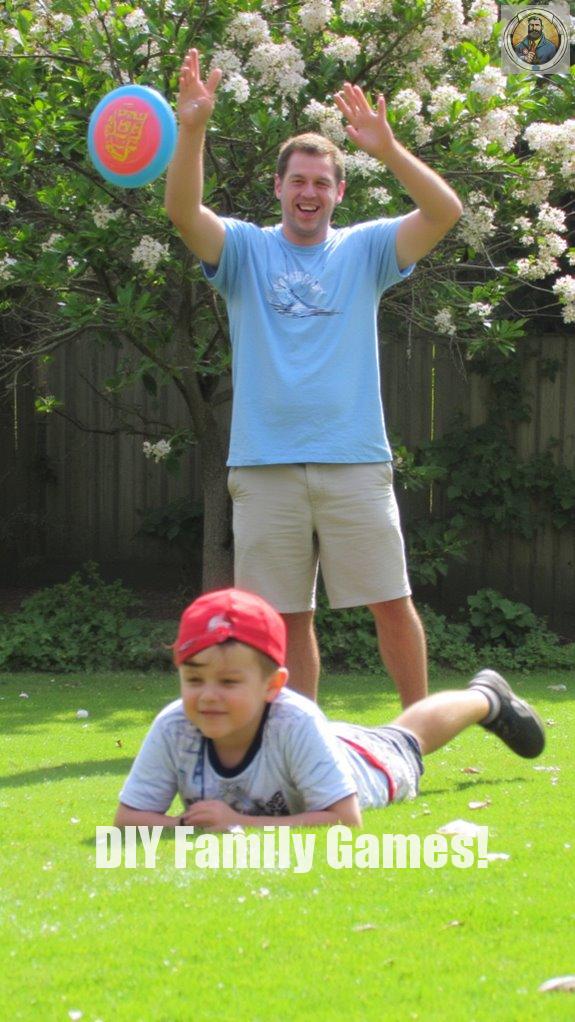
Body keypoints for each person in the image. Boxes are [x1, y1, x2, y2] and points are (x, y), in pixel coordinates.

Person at [165, 49, 463, 707]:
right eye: (297, 180)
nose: (308, 193)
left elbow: (444, 211)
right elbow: (183, 212)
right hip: (264, 465)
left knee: (391, 602)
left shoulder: (366, 249)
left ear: (338, 193)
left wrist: (387, 149)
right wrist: (192, 129)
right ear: (278, 188)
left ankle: (417, 736)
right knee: (284, 620)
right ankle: (299, 744)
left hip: (353, 460)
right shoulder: (244, 250)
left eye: (321, 183)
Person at [114, 588, 545, 832]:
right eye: (194, 680)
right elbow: (127, 818)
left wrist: (239, 823)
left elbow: (345, 819)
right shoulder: (174, 725)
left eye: (228, 682)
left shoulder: (295, 719)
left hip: (361, 764)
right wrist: (181, 826)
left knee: (407, 738)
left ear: (273, 686)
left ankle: (486, 698)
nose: (208, 696)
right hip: (310, 745)